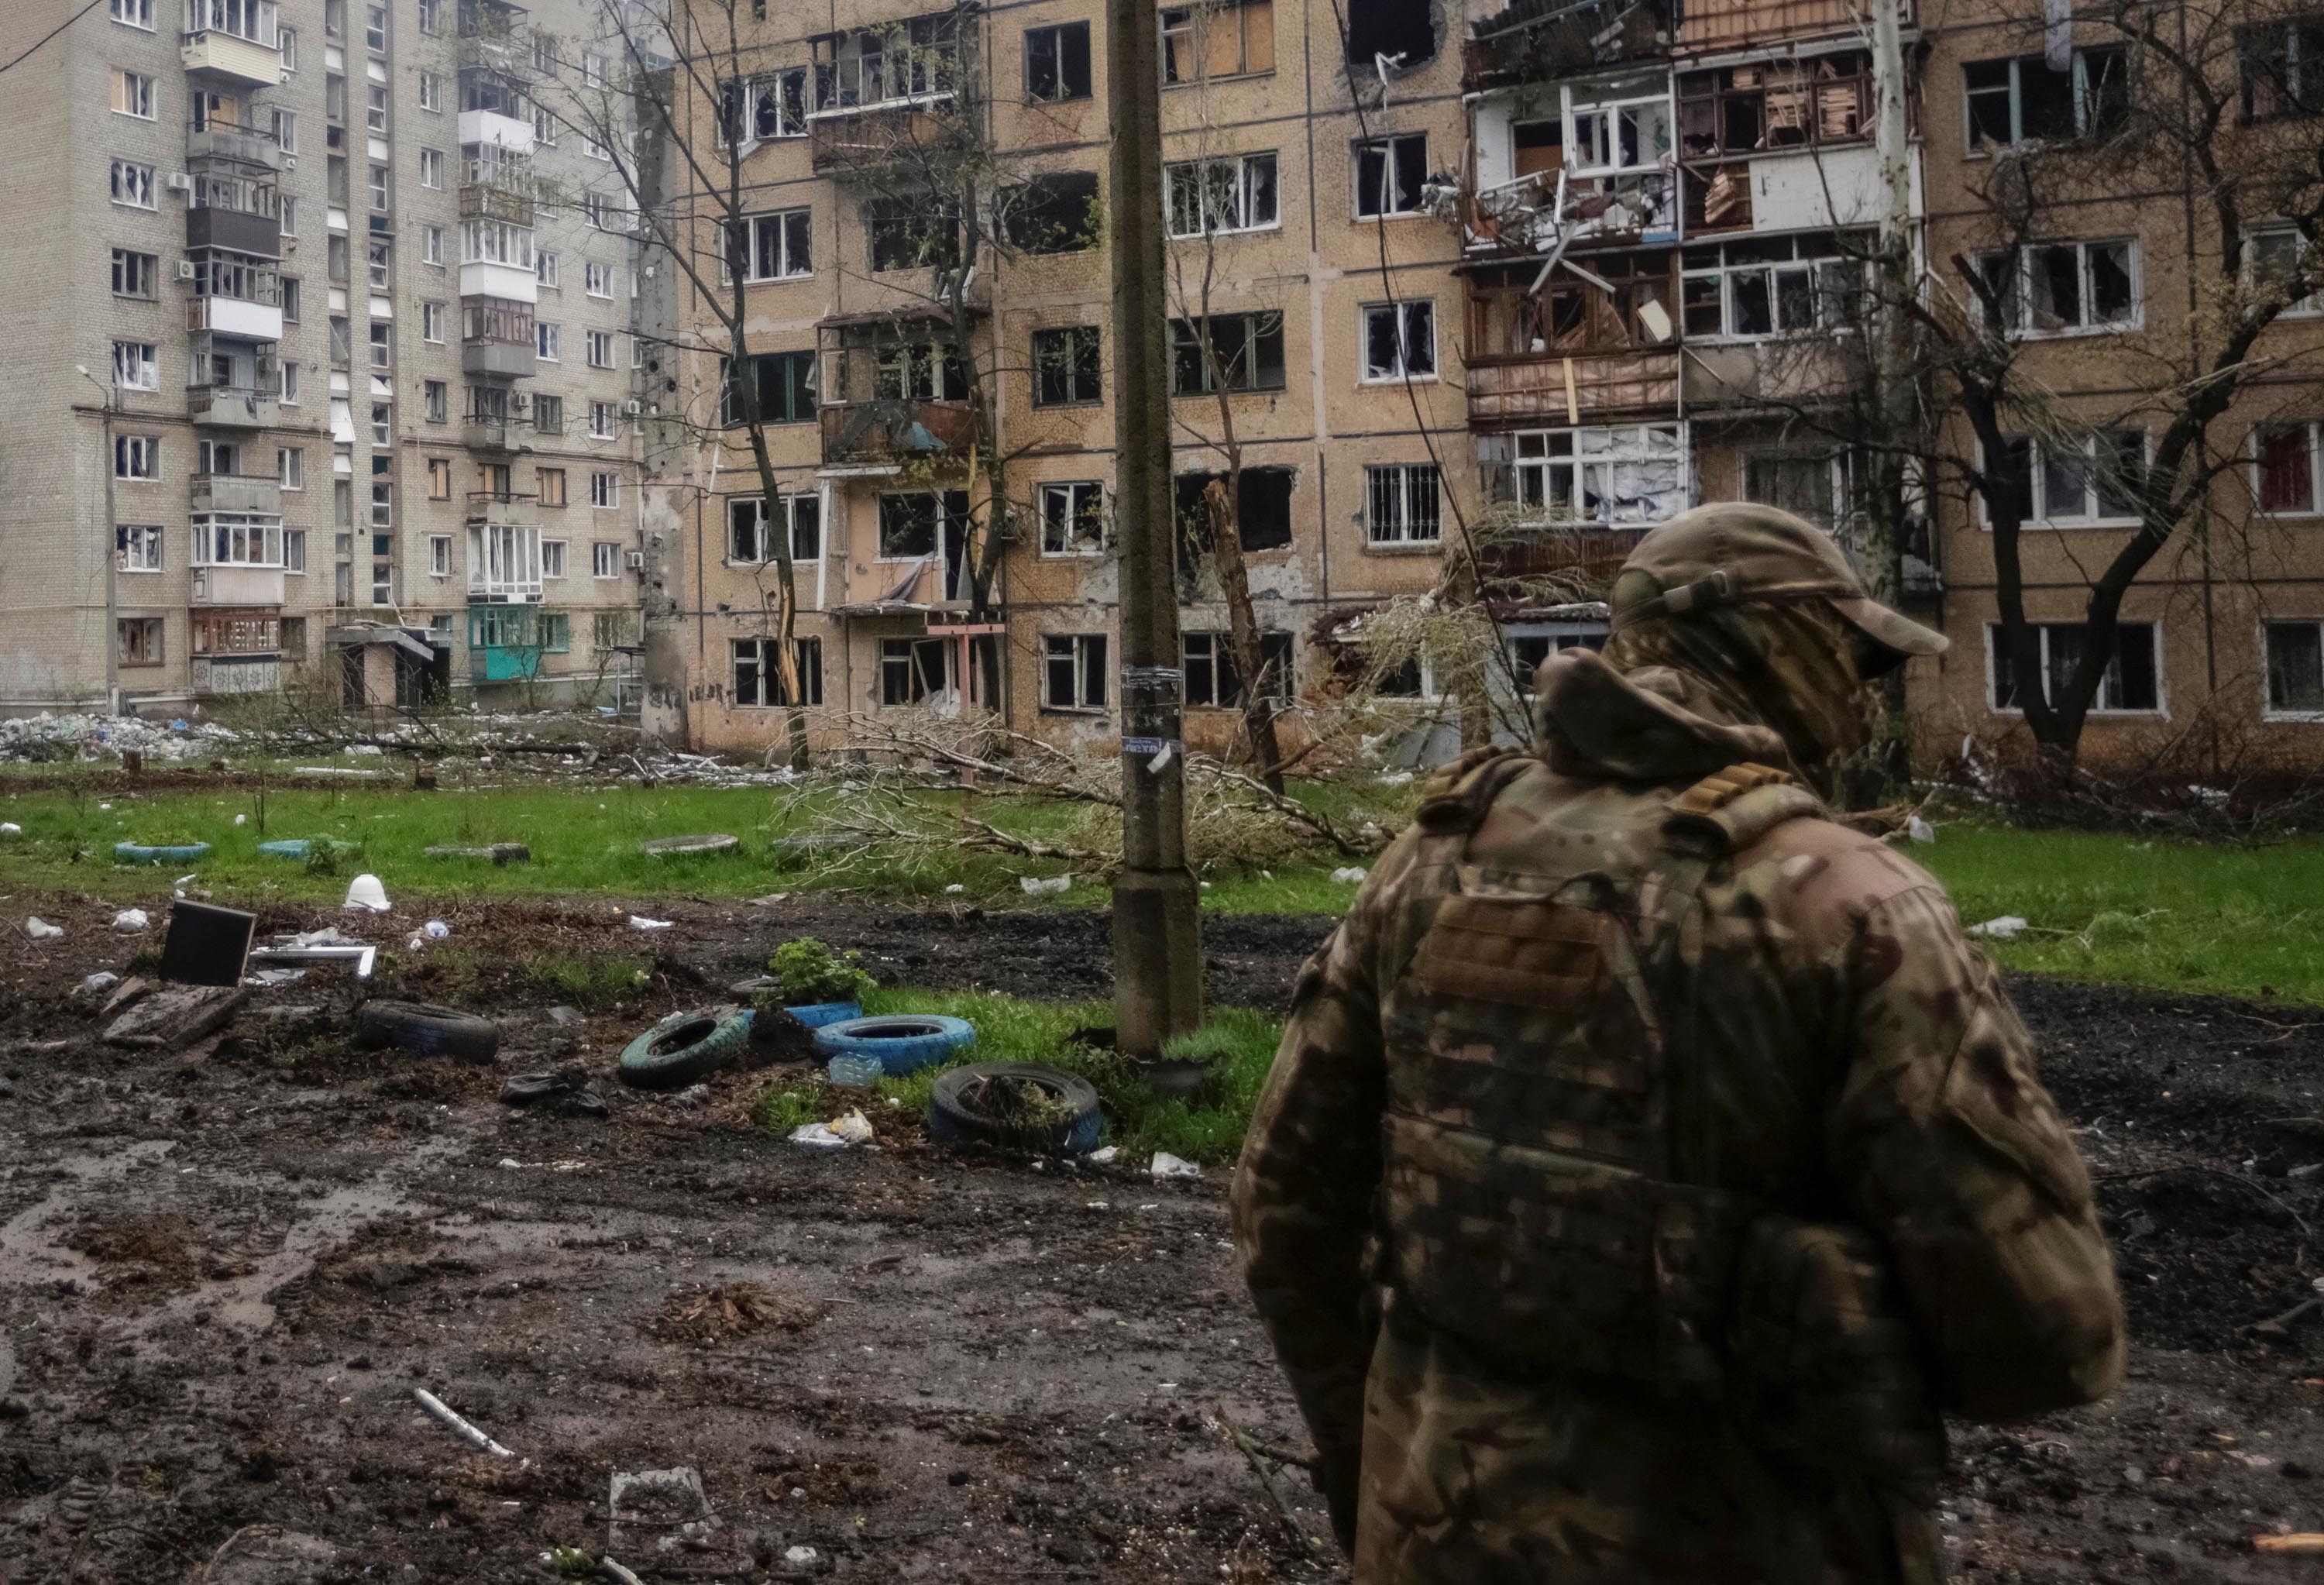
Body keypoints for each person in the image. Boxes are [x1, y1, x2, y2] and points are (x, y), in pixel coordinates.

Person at [1231, 504, 2124, 1584]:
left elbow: (1282, 1209)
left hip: (1431, 1535)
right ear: (1773, 649)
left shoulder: (1429, 866)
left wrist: (1365, 1463)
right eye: (1851, 660)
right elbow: (2049, 1338)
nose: (1859, 703)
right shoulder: (1851, 906)